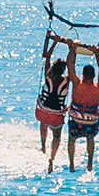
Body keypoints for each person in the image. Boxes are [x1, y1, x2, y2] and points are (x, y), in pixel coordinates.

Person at [65, 44, 99, 172]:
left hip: (76, 126)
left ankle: (71, 163)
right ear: (93, 76)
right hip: (90, 127)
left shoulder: (77, 84)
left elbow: (70, 65)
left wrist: (73, 48)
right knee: (90, 138)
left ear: (82, 75)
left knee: (71, 139)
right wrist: (96, 53)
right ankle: (89, 163)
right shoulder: (98, 88)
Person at [35, 37, 70, 173]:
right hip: (56, 115)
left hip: (43, 112)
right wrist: (71, 48)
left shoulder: (47, 76)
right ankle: (52, 157)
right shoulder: (67, 81)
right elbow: (72, 65)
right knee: (56, 136)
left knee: (44, 122)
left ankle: (43, 145)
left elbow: (47, 56)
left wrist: (55, 41)